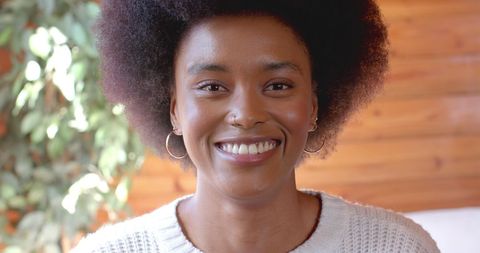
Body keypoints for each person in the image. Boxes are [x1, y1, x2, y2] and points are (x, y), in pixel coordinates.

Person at [73, 0, 440, 252]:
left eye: (278, 85)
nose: (246, 114)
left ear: (313, 106)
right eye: (213, 87)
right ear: (174, 111)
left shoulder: (396, 246)